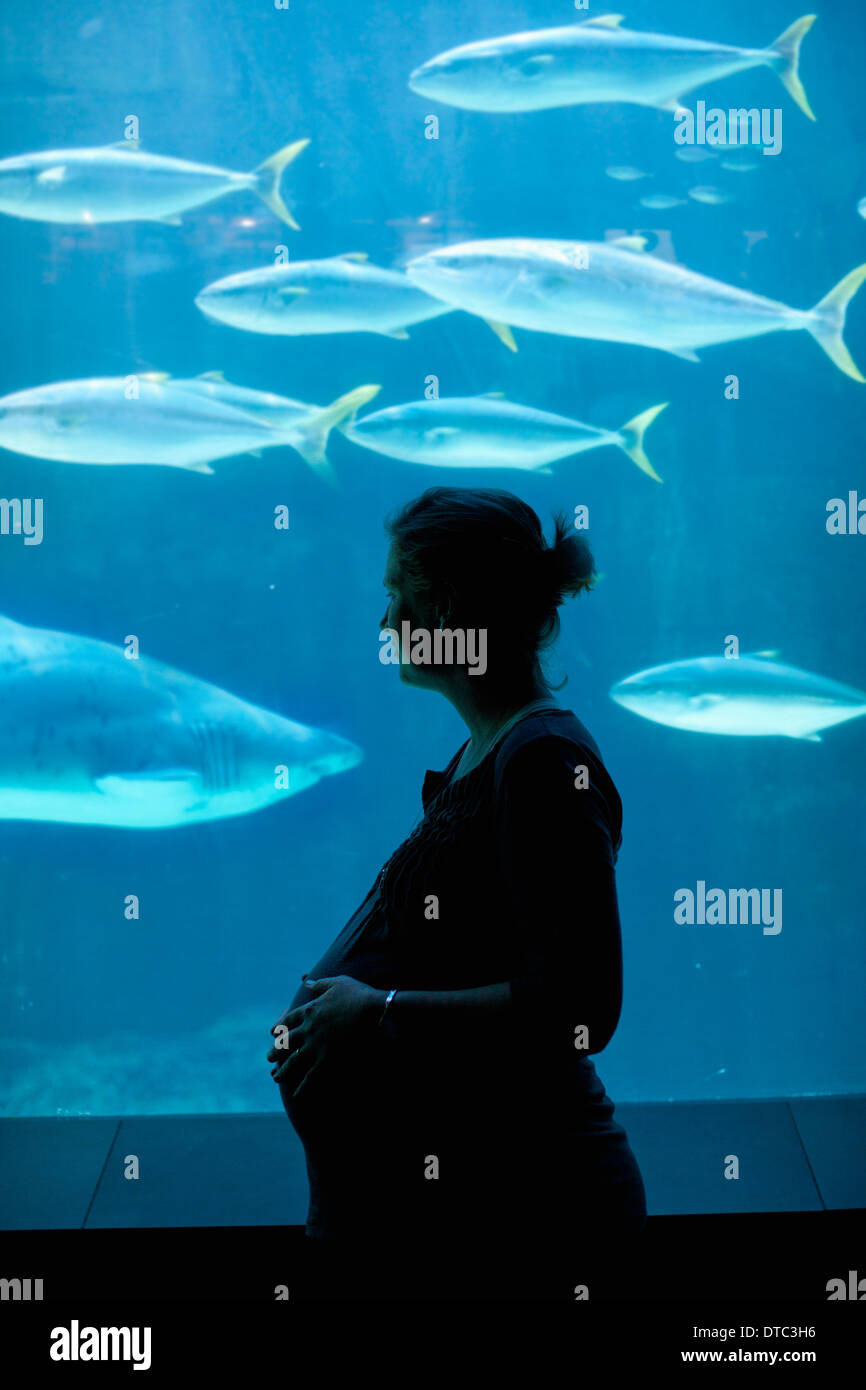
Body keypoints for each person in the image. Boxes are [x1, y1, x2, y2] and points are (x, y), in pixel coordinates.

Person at [267, 487, 647, 1302]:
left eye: (396, 596)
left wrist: (375, 1013)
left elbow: (582, 1006)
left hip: (520, 1223)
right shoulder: (489, 748)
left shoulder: (543, 760)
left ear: (449, 609)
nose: (384, 622)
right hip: (445, 1222)